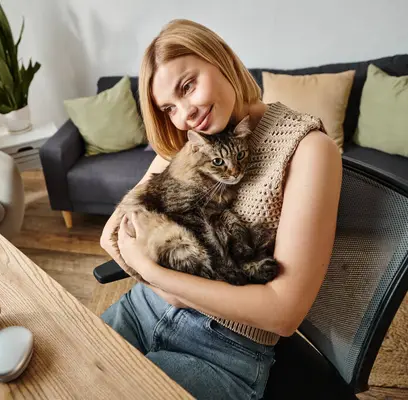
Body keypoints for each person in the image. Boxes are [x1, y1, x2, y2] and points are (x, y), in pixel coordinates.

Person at [100, 19, 342, 400]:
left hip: (222, 350)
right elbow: (113, 233)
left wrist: (151, 272)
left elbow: (283, 314)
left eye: (188, 86)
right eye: (169, 108)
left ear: (222, 58)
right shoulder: (195, 142)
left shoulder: (306, 148)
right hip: (139, 308)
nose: (184, 116)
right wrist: (158, 283)